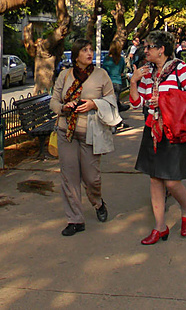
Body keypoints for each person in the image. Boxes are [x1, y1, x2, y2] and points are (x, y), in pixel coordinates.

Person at [129, 30, 186, 245]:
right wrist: (134, 82)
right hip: (152, 129)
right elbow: (137, 102)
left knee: (170, 181)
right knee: (154, 178)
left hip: (175, 131)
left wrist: (165, 100)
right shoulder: (146, 72)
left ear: (162, 49)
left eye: (150, 46)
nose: (145, 50)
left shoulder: (181, 69)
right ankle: (159, 227)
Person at [50, 39, 121, 237]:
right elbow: (54, 101)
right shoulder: (64, 75)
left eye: (91, 50)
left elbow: (112, 100)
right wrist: (63, 108)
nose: (89, 53)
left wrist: (93, 104)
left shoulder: (101, 75)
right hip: (67, 132)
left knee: (91, 178)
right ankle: (75, 219)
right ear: (76, 55)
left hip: (91, 132)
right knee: (69, 177)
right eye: (84, 50)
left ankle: (97, 203)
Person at [101, 42, 130, 113]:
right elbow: (122, 70)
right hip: (118, 82)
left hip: (108, 82)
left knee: (109, 101)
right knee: (116, 100)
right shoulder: (121, 59)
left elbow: (104, 70)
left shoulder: (106, 59)